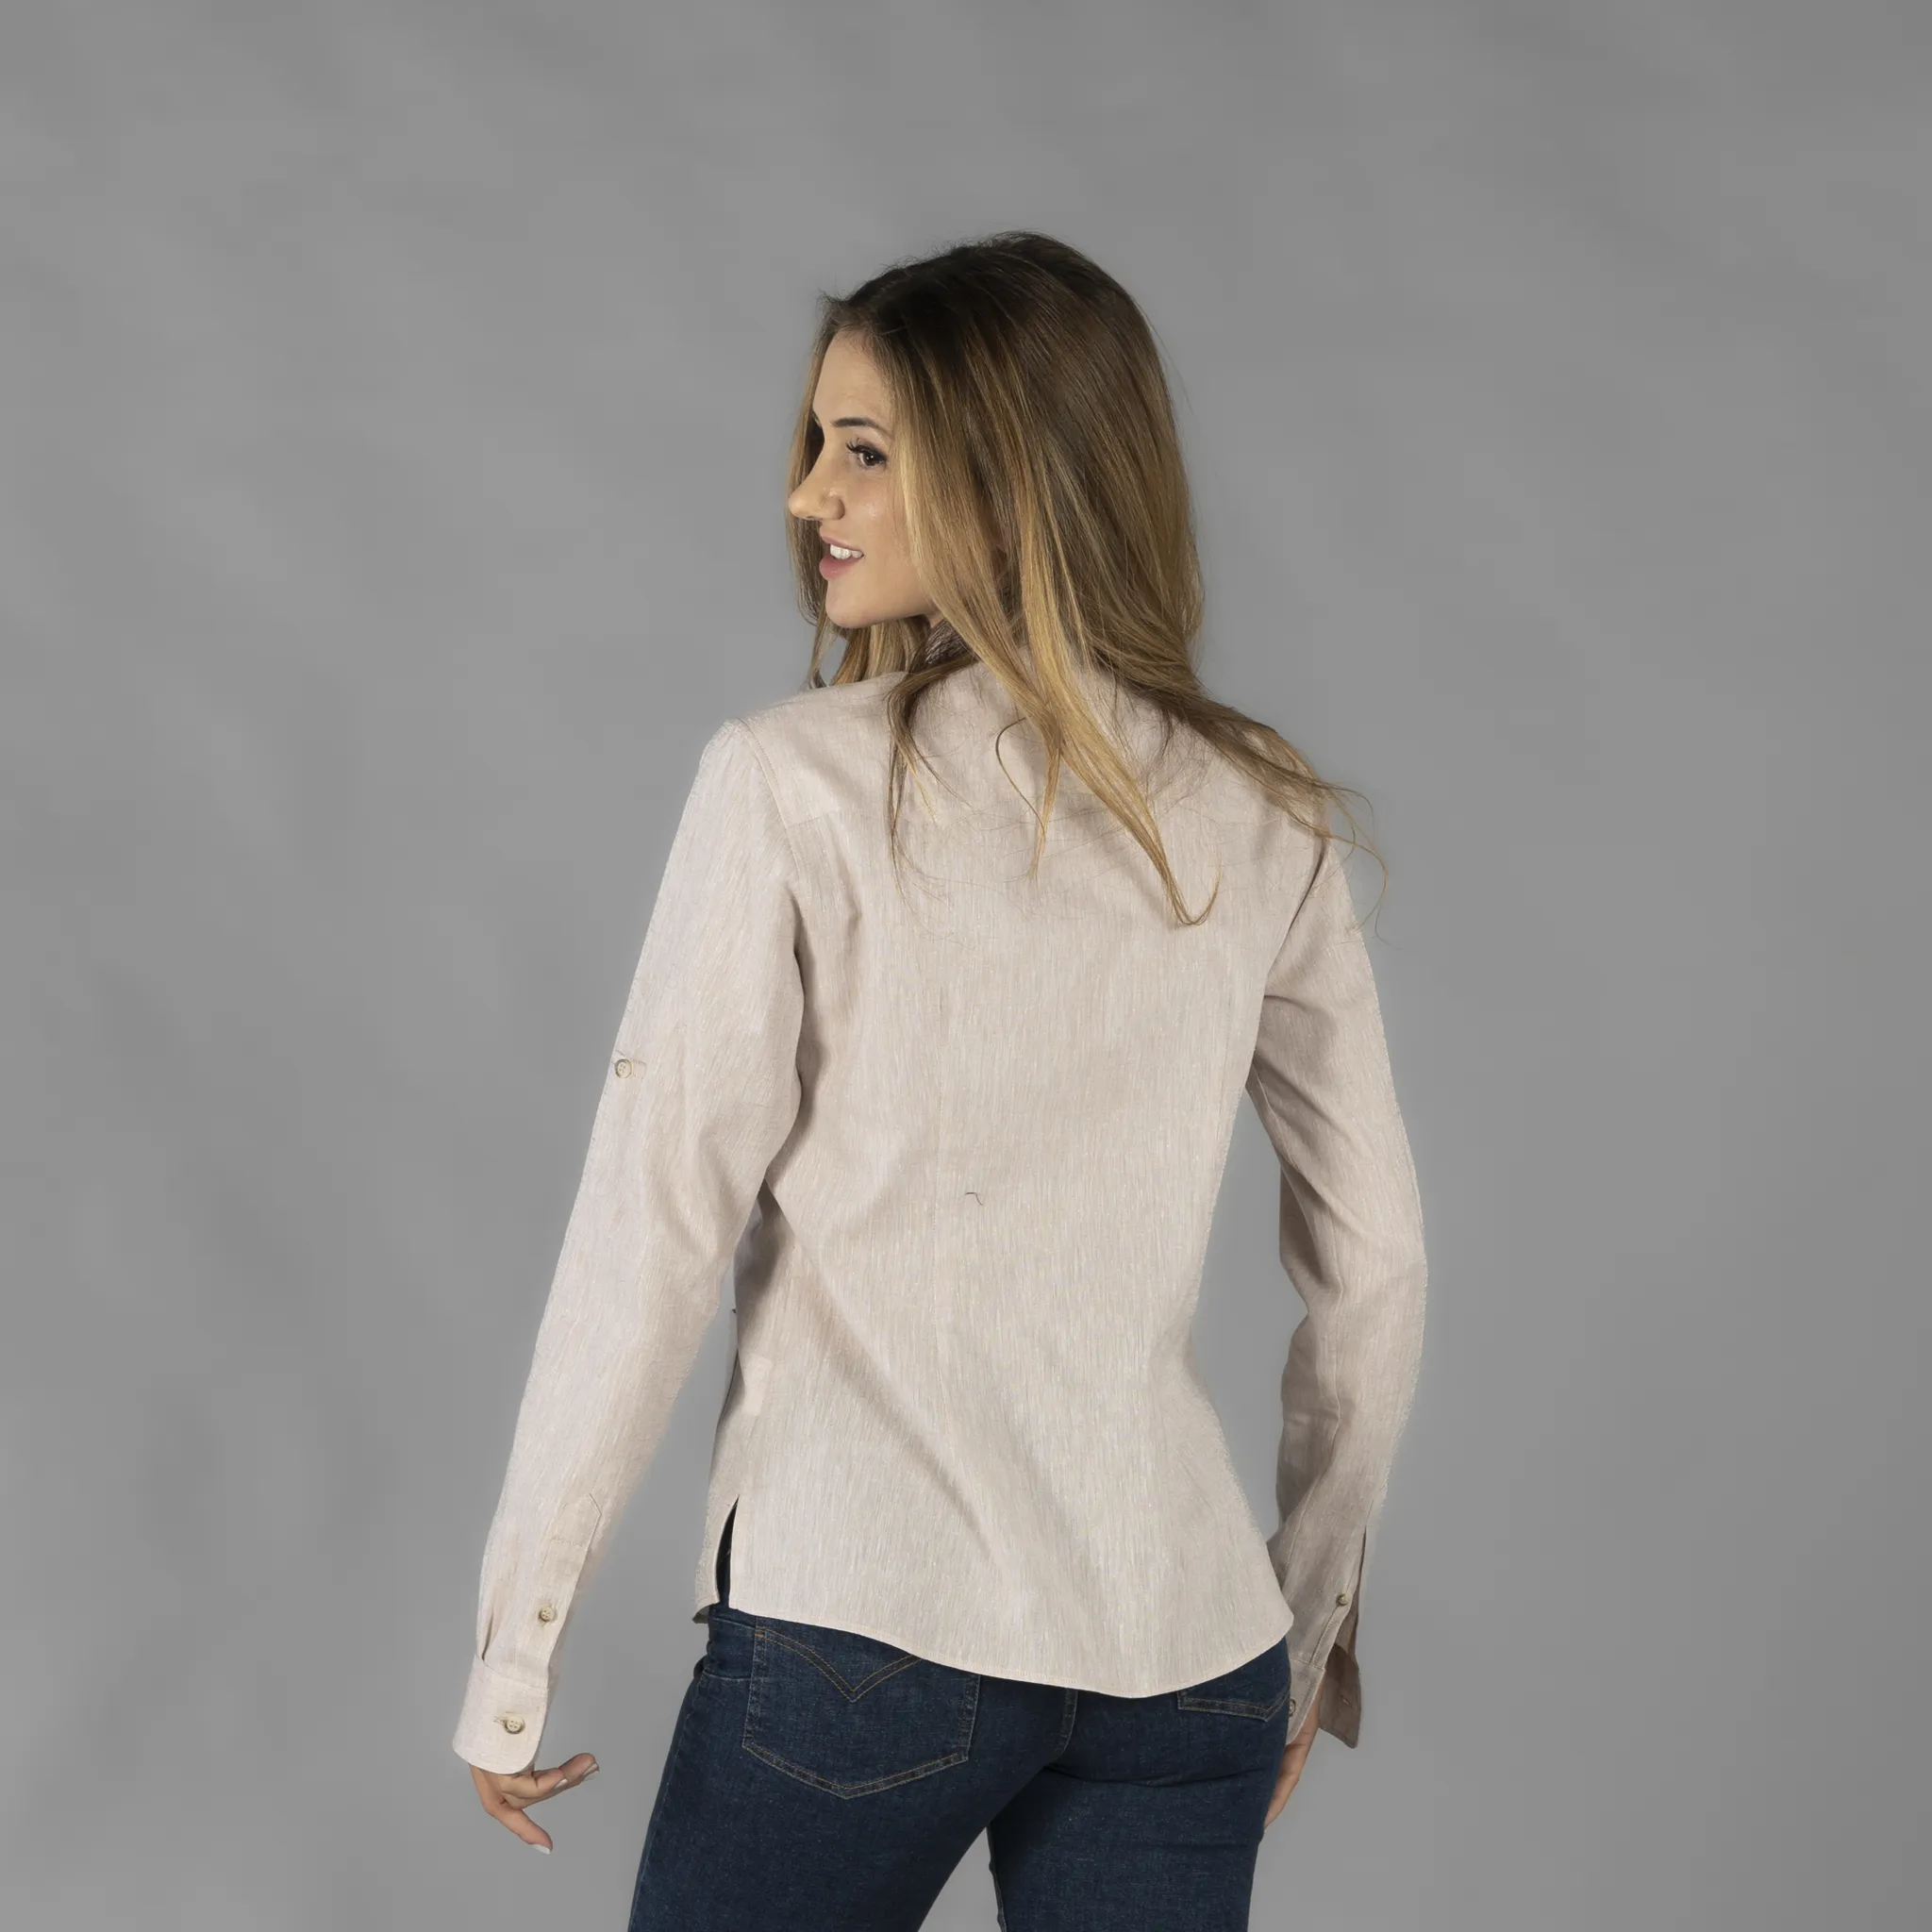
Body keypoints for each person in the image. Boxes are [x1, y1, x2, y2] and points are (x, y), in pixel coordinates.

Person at [453, 230, 1427, 1930]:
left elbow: (653, 1228)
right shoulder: (1265, 807)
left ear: (1009, 480)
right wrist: (1308, 1623)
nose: (805, 494)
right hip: (1181, 1647)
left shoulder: (787, 784)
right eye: (817, 443)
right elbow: (1379, 1270)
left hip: (862, 1625)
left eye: (865, 451)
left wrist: (516, 1649)